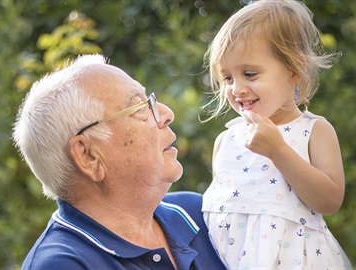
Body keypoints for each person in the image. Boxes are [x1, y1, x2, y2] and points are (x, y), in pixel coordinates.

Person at [13, 54, 226, 270]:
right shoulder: (62, 264)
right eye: (139, 108)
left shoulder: (199, 213)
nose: (166, 113)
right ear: (88, 156)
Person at [201, 0, 352, 269]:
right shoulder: (226, 141)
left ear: (295, 70)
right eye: (227, 78)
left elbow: (329, 201)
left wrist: (278, 151)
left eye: (249, 73)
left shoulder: (313, 131)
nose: (237, 89)